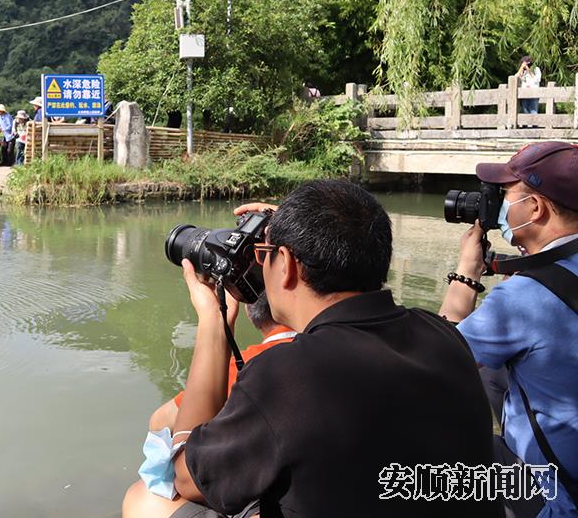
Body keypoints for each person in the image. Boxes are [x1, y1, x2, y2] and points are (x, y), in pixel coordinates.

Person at [123, 180, 499, 518]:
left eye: (264, 253)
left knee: (145, 500)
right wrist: (297, 233)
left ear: (284, 263)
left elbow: (186, 478)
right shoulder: (440, 334)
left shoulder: (287, 374)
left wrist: (213, 322)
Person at [441, 141, 578, 518]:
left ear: (535, 209)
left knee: (427, 451)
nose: (496, 207)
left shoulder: (525, 298)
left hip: (559, 496)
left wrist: (465, 276)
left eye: (504, 196)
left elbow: (438, 361)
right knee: (495, 374)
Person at [146, 293, 294, 434]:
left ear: (248, 310)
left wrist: (212, 319)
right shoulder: (313, 344)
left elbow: (160, 424)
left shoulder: (250, 365)